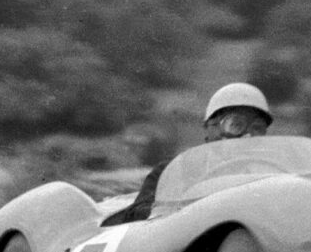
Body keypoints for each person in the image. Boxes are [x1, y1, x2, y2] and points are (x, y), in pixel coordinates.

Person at [112, 83, 272, 223]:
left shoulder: (272, 174)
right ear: (212, 127)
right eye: (236, 124)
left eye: (257, 128)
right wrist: (181, 211)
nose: (248, 135)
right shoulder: (175, 170)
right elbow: (136, 214)